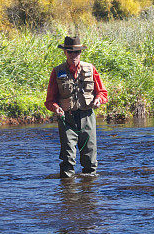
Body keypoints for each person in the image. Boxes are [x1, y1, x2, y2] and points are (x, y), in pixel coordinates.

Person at [45, 35, 108, 178]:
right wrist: (56, 108)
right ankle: (67, 195)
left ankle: (89, 193)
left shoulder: (90, 69)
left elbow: (102, 93)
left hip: (87, 117)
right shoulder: (57, 71)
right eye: (70, 52)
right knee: (67, 158)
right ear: (65, 53)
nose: (73, 55)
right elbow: (50, 100)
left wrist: (98, 100)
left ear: (80, 53)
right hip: (66, 118)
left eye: (76, 52)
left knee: (90, 158)